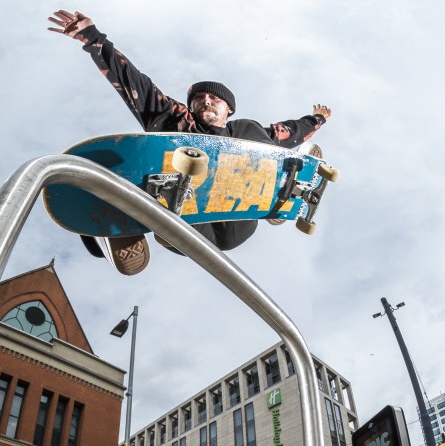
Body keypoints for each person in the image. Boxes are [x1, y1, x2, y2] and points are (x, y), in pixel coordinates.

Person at [48, 9, 332, 276]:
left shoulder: (251, 132)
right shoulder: (175, 119)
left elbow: (292, 132)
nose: (206, 101)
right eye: (199, 99)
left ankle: (282, 192)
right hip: (189, 219)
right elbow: (135, 84)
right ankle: (121, 227)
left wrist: (316, 119)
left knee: (263, 144)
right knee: (118, 165)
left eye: (214, 99)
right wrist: (93, 38)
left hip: (237, 223)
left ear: (228, 109)